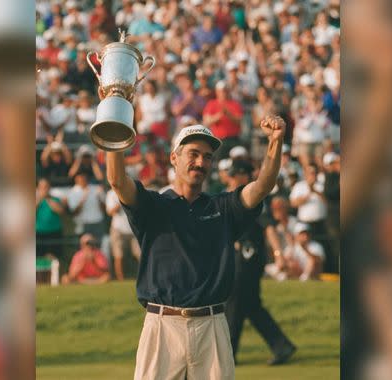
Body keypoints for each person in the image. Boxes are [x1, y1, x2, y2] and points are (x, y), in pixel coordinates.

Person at [106, 105, 285, 379]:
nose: (201, 162)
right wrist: (115, 118)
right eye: (193, 154)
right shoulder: (152, 205)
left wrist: (275, 142)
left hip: (212, 325)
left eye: (207, 157)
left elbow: (263, 185)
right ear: (174, 158)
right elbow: (117, 180)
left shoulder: (223, 208)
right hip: (162, 326)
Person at [224, 160, 297, 366]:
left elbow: (269, 228)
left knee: (236, 303)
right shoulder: (234, 197)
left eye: (235, 174)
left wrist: (278, 254)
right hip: (240, 257)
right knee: (251, 305)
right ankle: (281, 345)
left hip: (249, 259)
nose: (230, 178)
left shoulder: (255, 196)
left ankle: (228, 354)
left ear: (245, 175)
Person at [106, 188, 141, 281]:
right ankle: (120, 279)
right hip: (118, 229)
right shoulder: (111, 194)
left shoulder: (132, 191)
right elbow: (110, 212)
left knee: (141, 254)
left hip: (134, 228)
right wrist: (121, 201)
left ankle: (146, 276)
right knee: (118, 255)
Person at [35, 178, 65, 259]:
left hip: (54, 233)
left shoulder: (55, 200)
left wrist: (48, 199)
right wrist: (39, 200)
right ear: (38, 188)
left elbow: (61, 211)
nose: (44, 189)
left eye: (46, 187)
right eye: (42, 187)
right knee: (39, 258)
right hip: (39, 234)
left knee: (55, 258)